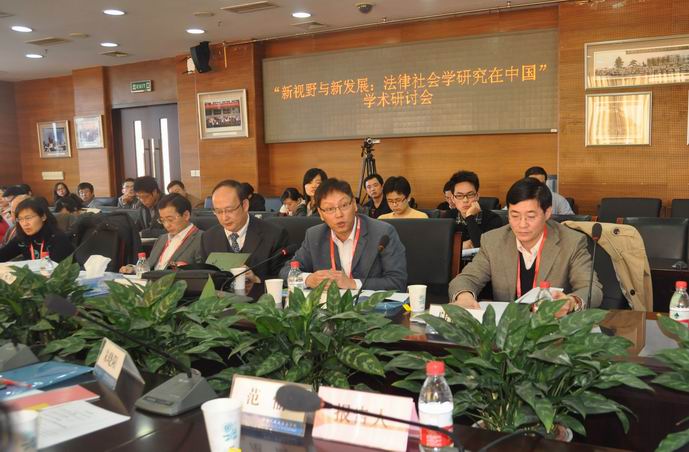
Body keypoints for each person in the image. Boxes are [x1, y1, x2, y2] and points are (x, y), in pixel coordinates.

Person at [448, 177, 602, 318]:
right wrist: (464, 296)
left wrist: (572, 302)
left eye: (531, 216)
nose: (522, 224)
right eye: (514, 216)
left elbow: (591, 289)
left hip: (552, 328)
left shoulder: (571, 242)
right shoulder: (494, 241)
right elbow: (466, 279)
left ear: (547, 213)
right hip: (506, 330)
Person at [279, 178, 407, 291]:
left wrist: (353, 283)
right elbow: (286, 271)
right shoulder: (314, 236)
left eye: (344, 205)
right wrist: (308, 279)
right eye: (330, 209)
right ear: (321, 214)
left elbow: (397, 281)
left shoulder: (382, 233)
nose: (339, 214)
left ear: (354, 205)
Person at [201, 180, 289, 281]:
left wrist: (256, 280)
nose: (224, 217)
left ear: (245, 205)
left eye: (230, 210)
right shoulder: (208, 238)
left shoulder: (274, 235)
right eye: (218, 211)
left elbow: (283, 278)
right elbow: (205, 277)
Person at [121, 194, 203, 273]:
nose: (166, 225)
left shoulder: (202, 239)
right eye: (162, 220)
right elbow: (149, 265)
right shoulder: (162, 239)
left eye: (170, 219)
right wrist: (134, 269)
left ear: (186, 215)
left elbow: (201, 273)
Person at [0, 197, 74, 262]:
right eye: (20, 219)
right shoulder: (22, 238)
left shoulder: (57, 238)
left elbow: (58, 270)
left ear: (43, 217)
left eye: (28, 218)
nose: (25, 224)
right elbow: (3, 255)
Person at [447, 170, 503, 249]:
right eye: (459, 196)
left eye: (470, 194)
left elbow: (483, 247)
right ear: (453, 199)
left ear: (477, 196)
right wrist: (461, 246)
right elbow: (440, 246)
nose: (465, 200)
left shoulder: (493, 219)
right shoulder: (447, 218)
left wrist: (469, 217)